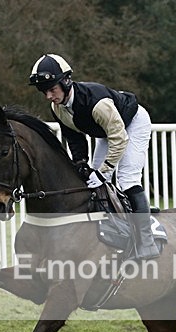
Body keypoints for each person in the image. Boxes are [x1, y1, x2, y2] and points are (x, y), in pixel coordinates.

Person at [28, 53, 159, 260]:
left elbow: (120, 139)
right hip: (105, 131)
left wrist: (105, 170)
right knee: (90, 181)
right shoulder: (57, 107)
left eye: (52, 89)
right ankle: (113, 226)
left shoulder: (97, 103)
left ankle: (146, 241)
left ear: (66, 81)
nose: (49, 96)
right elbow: (74, 138)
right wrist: (81, 163)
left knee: (127, 178)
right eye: (44, 91)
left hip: (132, 124)